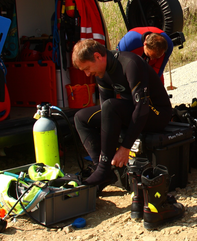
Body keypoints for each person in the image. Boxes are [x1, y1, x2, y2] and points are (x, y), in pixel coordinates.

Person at [72, 39, 184, 227]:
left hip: (156, 113)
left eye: (87, 68)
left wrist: (125, 147)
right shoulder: (101, 72)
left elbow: (142, 107)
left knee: (111, 106)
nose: (87, 73)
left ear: (98, 56)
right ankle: (102, 168)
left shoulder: (130, 63)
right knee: (80, 118)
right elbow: (105, 110)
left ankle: (103, 170)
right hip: (132, 110)